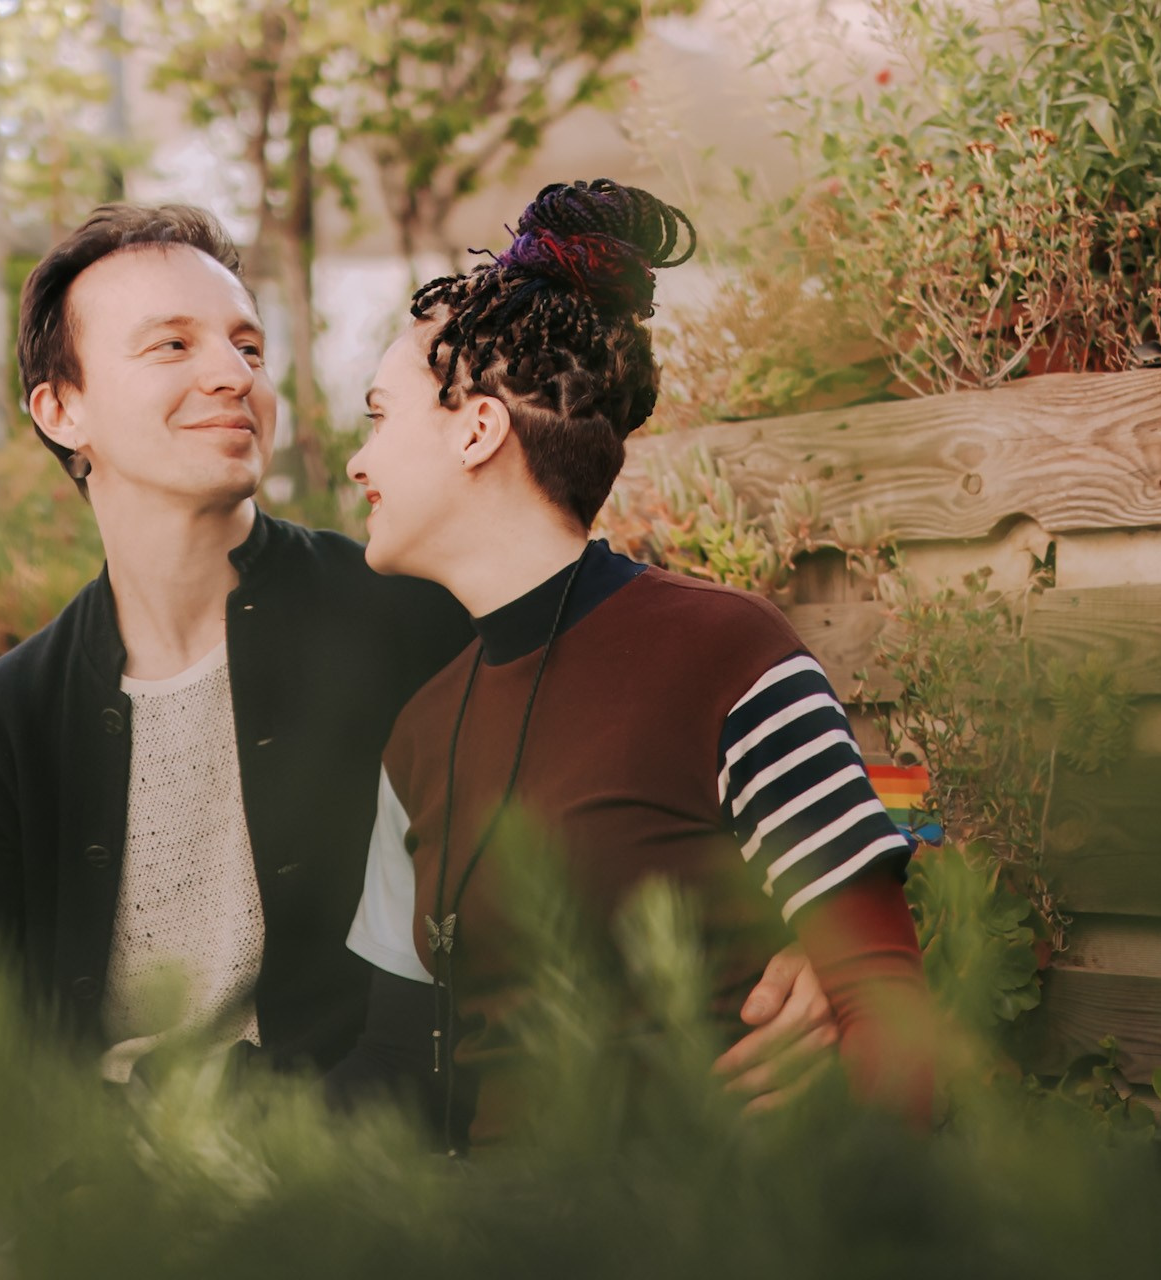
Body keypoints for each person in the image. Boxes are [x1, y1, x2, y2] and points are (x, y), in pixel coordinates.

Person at [0, 201, 841, 1280]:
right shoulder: (6, 718)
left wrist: (819, 944)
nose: (230, 374)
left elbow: (638, 706)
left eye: (246, 344)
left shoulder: (408, 616)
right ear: (62, 409)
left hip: (324, 1159)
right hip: (58, 1171)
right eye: (172, 345)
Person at [336, 179, 932, 1152]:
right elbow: (394, 1064)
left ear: (476, 428)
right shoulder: (416, 733)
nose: (357, 464)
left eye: (375, 417)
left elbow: (891, 1024)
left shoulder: (726, 654)